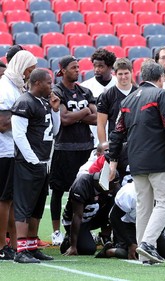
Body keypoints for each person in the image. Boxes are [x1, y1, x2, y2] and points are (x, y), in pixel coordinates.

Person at [108, 60, 165, 264]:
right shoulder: (160, 94)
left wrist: (113, 159)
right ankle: (148, 244)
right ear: (160, 78)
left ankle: (145, 255)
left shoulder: (127, 101)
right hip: (160, 160)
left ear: (141, 77)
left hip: (136, 162)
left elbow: (117, 133)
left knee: (144, 206)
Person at [11, 68, 60, 263]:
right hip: (29, 163)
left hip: (43, 162)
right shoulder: (25, 102)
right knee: (24, 206)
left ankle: (31, 246)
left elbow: (55, 131)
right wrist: (32, 160)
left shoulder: (44, 102)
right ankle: (20, 250)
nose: (51, 85)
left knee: (37, 207)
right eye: (48, 82)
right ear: (38, 83)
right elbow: (19, 135)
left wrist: (55, 111)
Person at [49, 55, 96, 246]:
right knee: (58, 190)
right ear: (63, 70)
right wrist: (84, 112)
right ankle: (56, 232)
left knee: (86, 190)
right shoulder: (56, 90)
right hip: (64, 148)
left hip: (85, 147)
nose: (78, 70)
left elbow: (95, 118)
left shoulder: (85, 91)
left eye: (78, 67)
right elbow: (64, 120)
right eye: (73, 67)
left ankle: (84, 228)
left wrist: (77, 114)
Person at [0, 50, 37, 260]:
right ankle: (1, 246)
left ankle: (13, 245)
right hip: (4, 150)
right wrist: (27, 121)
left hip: (13, 151)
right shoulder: (5, 88)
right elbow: (3, 124)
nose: (29, 73)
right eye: (29, 69)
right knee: (4, 200)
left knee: (12, 200)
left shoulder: (15, 85)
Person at [95, 181, 165, 263]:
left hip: (147, 225)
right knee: (136, 254)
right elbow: (114, 217)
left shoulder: (164, 193)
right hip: (127, 224)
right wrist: (130, 243)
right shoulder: (130, 193)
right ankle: (110, 251)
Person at [60, 153, 118, 256]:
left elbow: (113, 213)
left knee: (114, 207)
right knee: (88, 249)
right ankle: (69, 240)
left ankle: (105, 237)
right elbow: (76, 216)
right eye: (110, 188)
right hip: (75, 220)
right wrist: (73, 246)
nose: (112, 190)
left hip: (93, 217)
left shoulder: (111, 187)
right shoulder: (82, 184)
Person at [80, 48, 117, 146]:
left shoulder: (119, 84)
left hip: (116, 137)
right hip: (92, 139)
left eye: (101, 66)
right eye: (95, 66)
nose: (97, 69)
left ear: (110, 67)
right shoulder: (85, 87)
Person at [96, 58, 137, 144]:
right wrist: (104, 145)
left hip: (137, 143)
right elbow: (101, 124)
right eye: (120, 74)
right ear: (115, 74)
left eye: (126, 73)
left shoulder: (140, 93)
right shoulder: (107, 95)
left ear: (131, 72)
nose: (123, 77)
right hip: (116, 143)